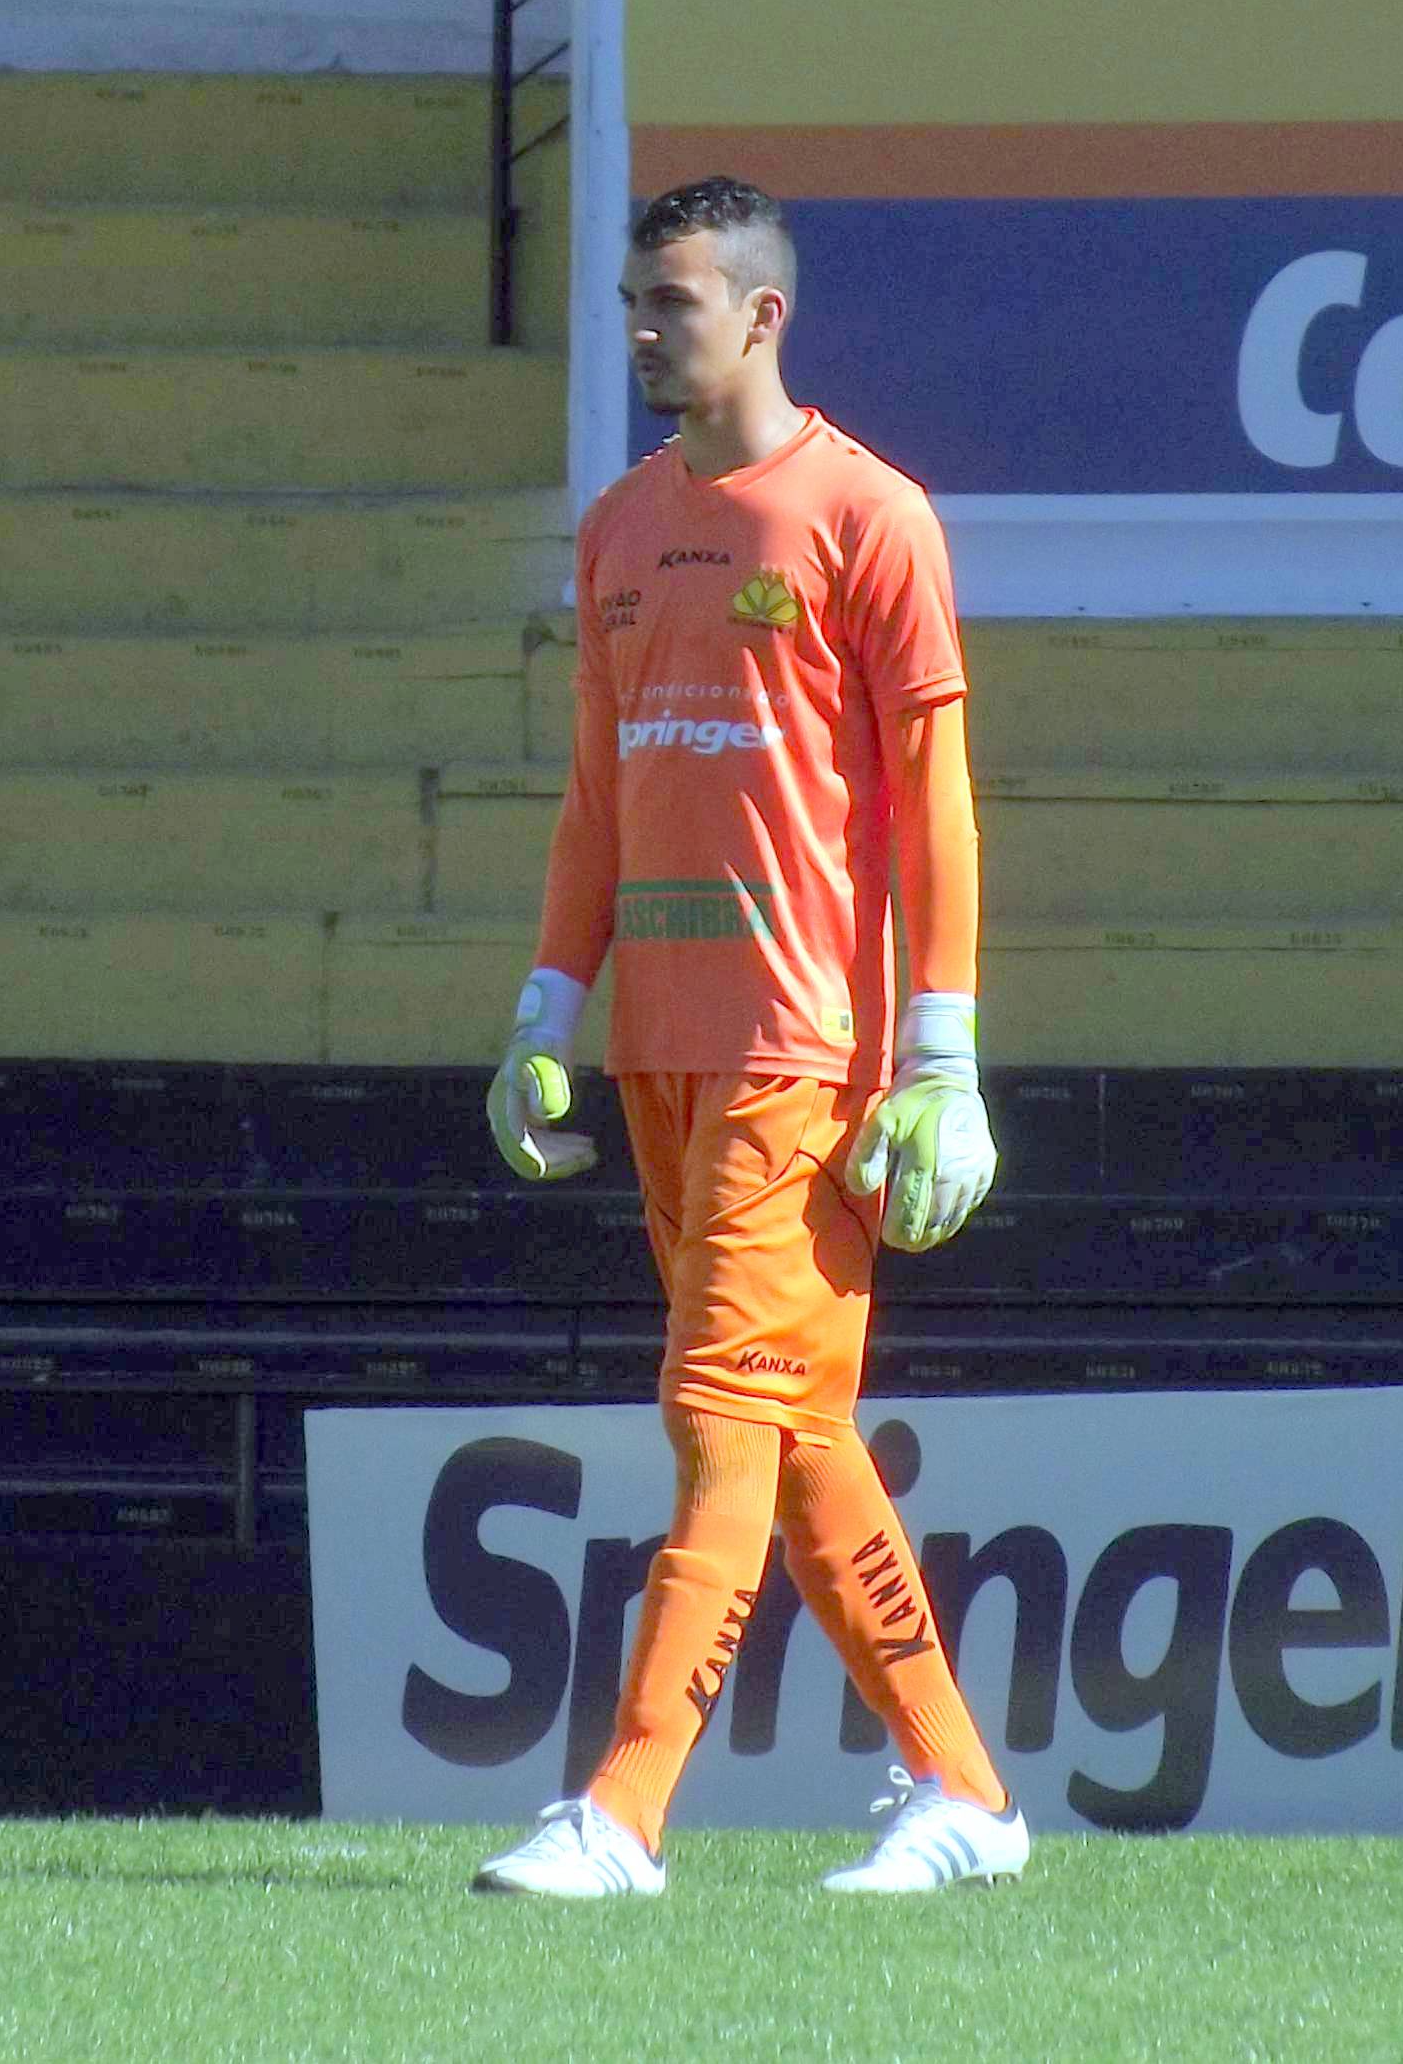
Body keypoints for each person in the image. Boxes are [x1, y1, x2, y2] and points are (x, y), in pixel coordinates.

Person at [471, 176, 1026, 1898]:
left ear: (763, 315)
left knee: (717, 1402)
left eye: (674, 303)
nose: (644, 329)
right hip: (658, 1040)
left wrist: (942, 1053)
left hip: (807, 1039)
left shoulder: (870, 517)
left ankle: (620, 1814)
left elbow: (933, 792)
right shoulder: (619, 528)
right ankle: (964, 1796)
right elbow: (594, 795)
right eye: (634, 302)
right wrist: (544, 1007)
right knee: (788, 1431)